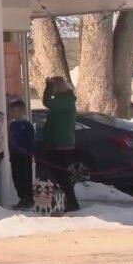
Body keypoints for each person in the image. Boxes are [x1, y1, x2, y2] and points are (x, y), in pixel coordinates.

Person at [42, 76, 80, 213]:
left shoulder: (64, 100)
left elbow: (47, 102)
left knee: (61, 174)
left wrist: (47, 88)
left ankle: (72, 201)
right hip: (57, 143)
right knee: (58, 174)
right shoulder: (64, 101)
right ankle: (68, 200)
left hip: (61, 144)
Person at [7, 100, 36, 210]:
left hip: (24, 156)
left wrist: (31, 153)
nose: (12, 113)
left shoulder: (27, 126)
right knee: (16, 177)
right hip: (15, 156)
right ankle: (22, 198)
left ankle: (28, 199)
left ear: (21, 112)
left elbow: (31, 141)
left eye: (14, 111)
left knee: (25, 178)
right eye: (11, 111)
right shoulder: (13, 125)